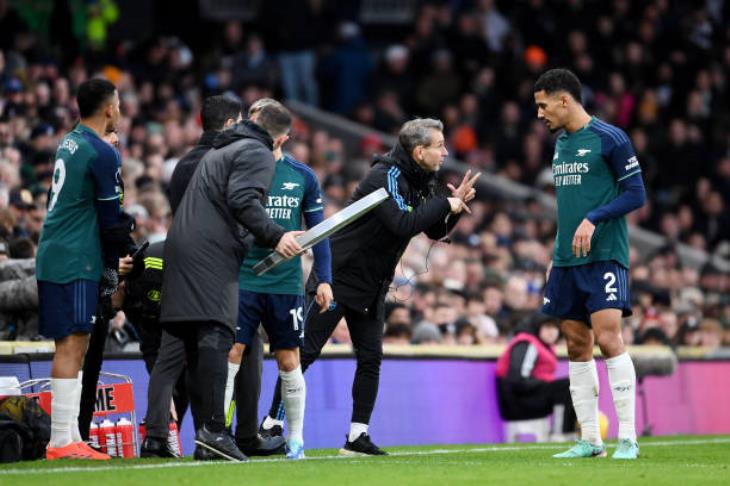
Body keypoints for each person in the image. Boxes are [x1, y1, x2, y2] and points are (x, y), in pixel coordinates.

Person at [261, 118, 479, 455]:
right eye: (439, 146)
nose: (446, 152)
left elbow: (435, 230)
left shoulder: (424, 180)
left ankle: (357, 436)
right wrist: (443, 204)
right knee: (305, 353)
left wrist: (456, 206)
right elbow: (401, 223)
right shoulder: (384, 175)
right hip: (339, 276)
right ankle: (271, 426)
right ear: (419, 151)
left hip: (373, 283)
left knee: (371, 358)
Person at [156, 100, 302, 462]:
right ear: (281, 138)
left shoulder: (223, 147)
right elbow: (243, 200)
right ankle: (214, 431)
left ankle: (206, 438)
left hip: (182, 245)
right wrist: (276, 235)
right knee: (217, 336)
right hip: (209, 253)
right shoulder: (257, 152)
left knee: (196, 343)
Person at [534, 68, 646, 460]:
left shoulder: (611, 138)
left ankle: (627, 438)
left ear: (564, 100)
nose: (540, 114)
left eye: (543, 105)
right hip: (567, 260)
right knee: (576, 345)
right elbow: (568, 208)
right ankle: (590, 440)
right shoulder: (560, 144)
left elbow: (636, 194)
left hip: (604, 255)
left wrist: (594, 218)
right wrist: (555, 255)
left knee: (608, 338)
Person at [223, 98, 333, 461]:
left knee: (289, 358)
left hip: (285, 283)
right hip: (242, 277)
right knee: (232, 351)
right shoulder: (236, 167)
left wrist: (324, 279)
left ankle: (296, 440)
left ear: (281, 137)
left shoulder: (302, 176)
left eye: (260, 125)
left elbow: (320, 232)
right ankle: (220, 434)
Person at [36, 78, 130, 460]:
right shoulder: (102, 153)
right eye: (118, 103)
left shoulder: (70, 141)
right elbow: (111, 220)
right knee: (72, 343)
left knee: (78, 342)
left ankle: (71, 435)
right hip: (76, 256)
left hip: (58, 249)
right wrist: (112, 269)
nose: (120, 110)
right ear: (108, 108)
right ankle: (61, 441)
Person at [496, 314, 576, 439]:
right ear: (538, 327)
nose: (552, 332)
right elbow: (518, 380)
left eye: (555, 327)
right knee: (566, 386)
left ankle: (568, 432)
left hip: (530, 398)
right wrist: (547, 385)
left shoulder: (545, 346)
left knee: (574, 385)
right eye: (547, 327)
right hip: (516, 403)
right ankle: (560, 434)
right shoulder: (526, 343)